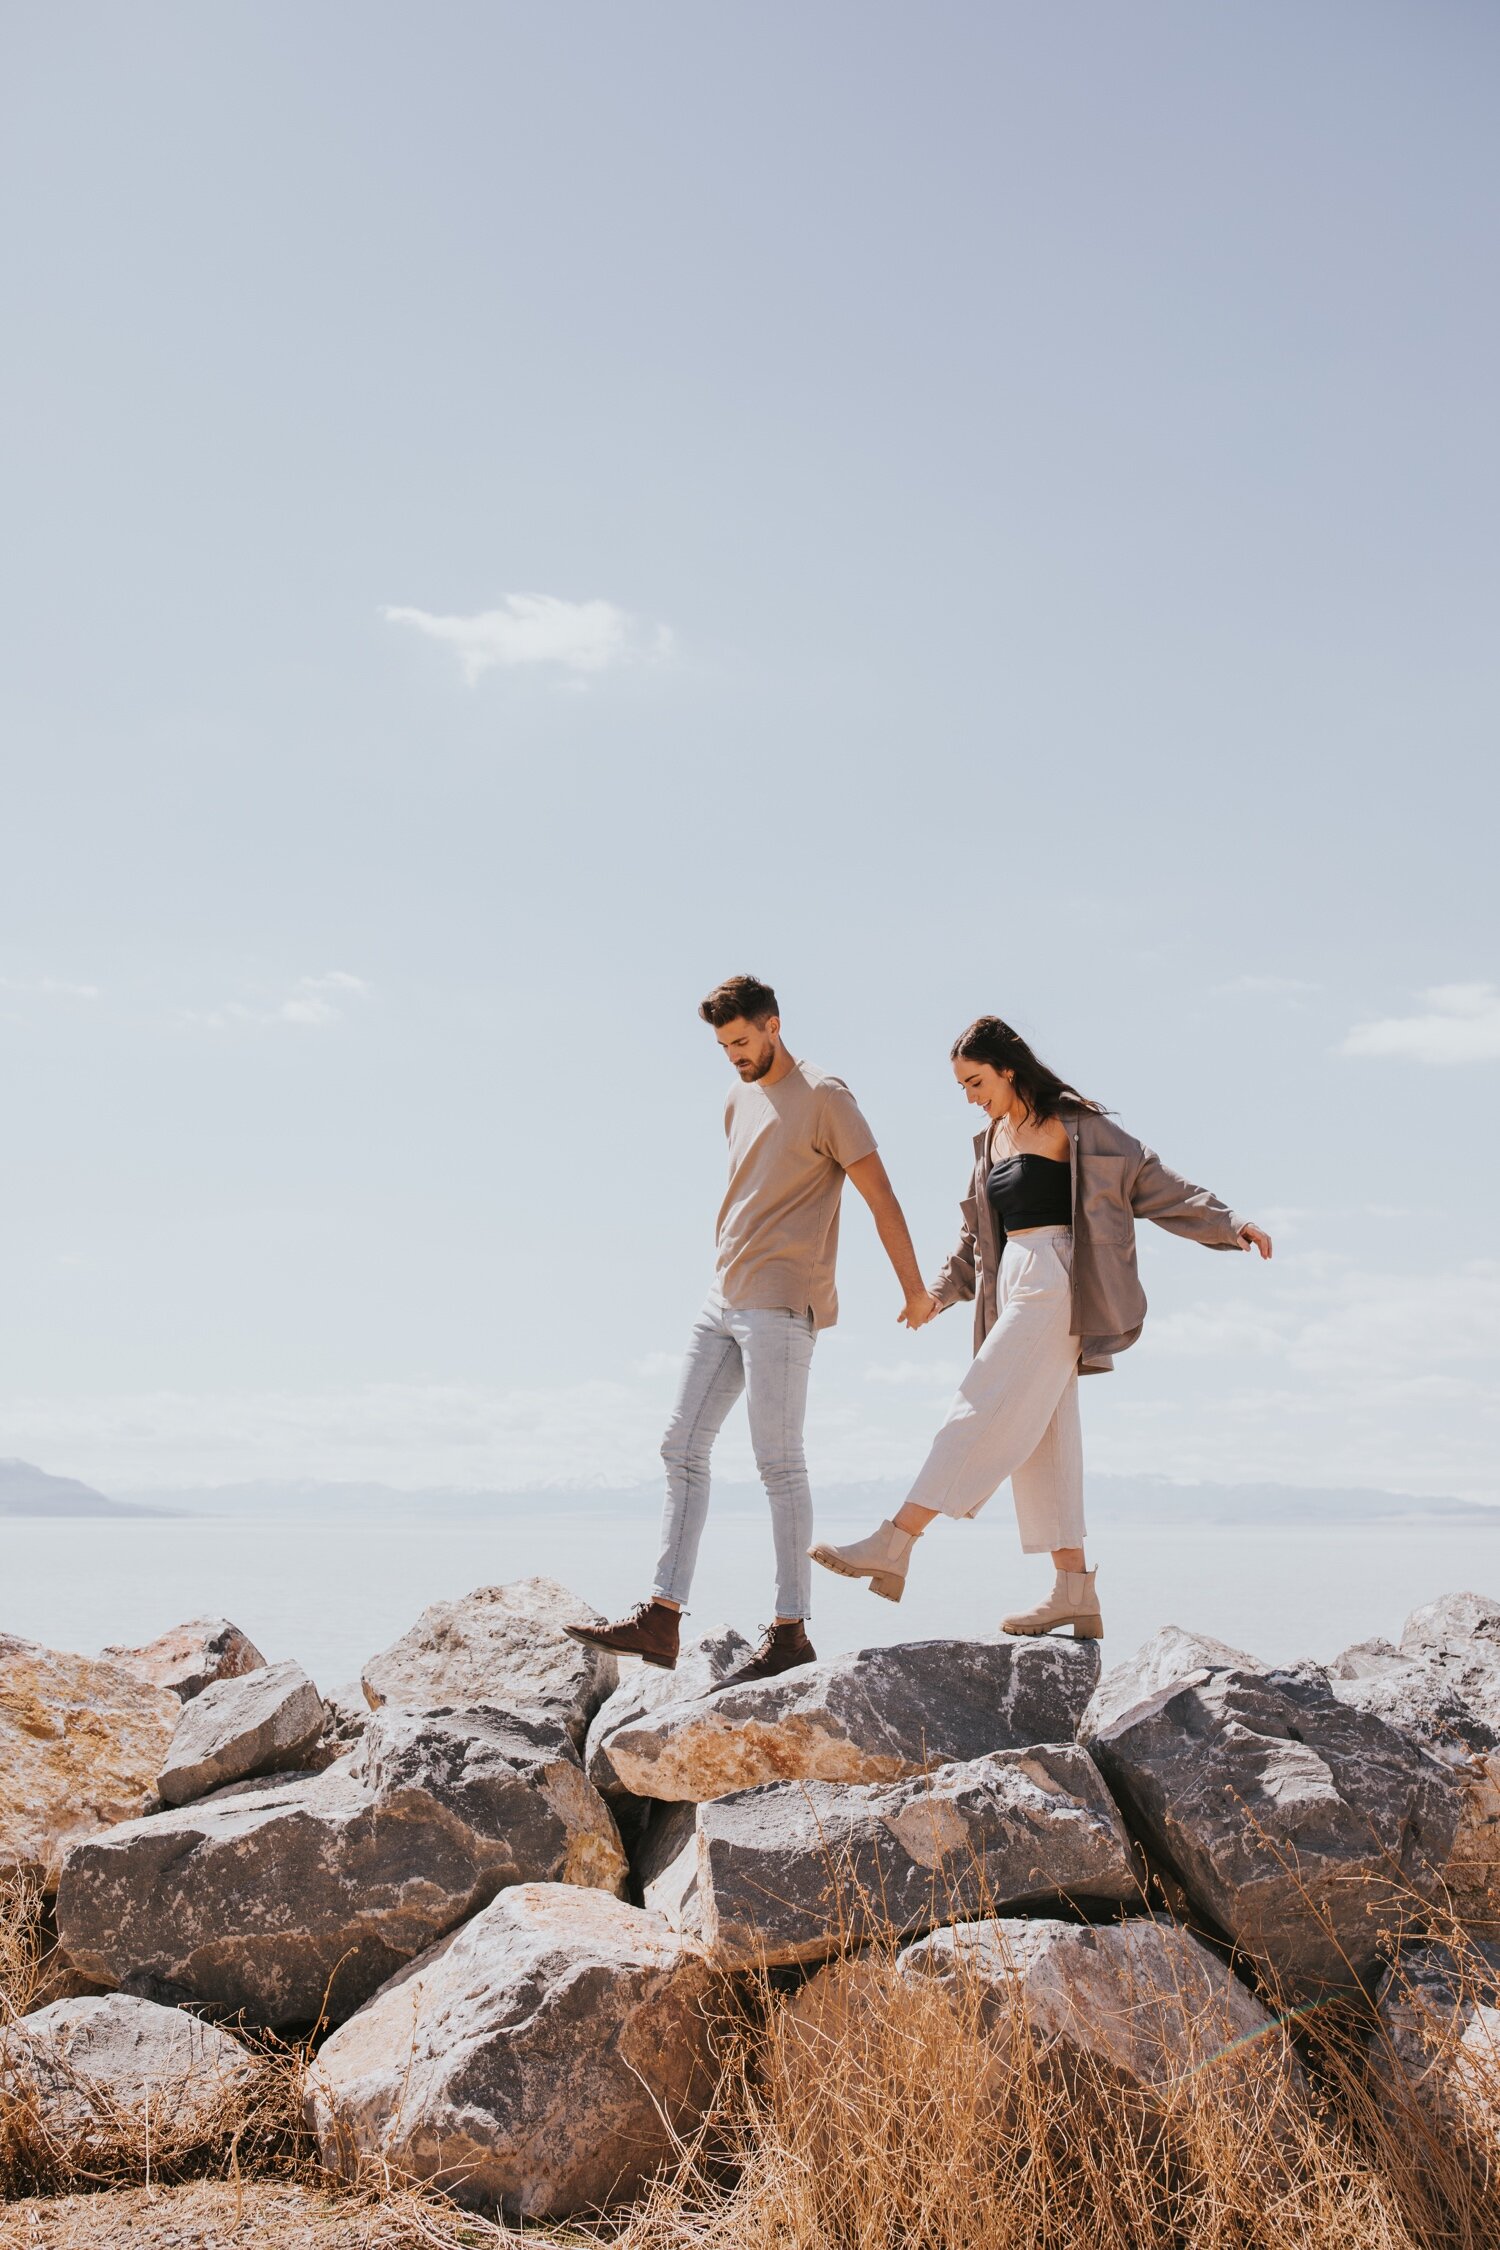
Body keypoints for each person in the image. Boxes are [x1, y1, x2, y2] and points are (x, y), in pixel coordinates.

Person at [809, 1015, 1272, 1639]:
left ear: (1007, 1069)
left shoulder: (1074, 1125)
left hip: (1058, 1278)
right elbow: (976, 1238)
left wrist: (1230, 1222)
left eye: (977, 1082)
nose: (971, 1097)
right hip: (1012, 1281)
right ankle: (1073, 1593)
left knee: (980, 1404)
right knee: (1045, 1440)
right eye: (963, 1088)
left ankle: (895, 1541)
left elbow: (1154, 1181)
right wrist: (933, 1297)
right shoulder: (990, 1141)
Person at [566, 973, 931, 1686]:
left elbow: (879, 1193)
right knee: (681, 1446)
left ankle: (791, 1631)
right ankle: (662, 1616)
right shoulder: (737, 1098)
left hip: (784, 1302)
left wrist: (913, 1288)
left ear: (773, 1024)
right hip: (722, 1297)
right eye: (723, 1045)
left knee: (778, 1463)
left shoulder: (827, 1095)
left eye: (742, 1040)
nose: (734, 1055)